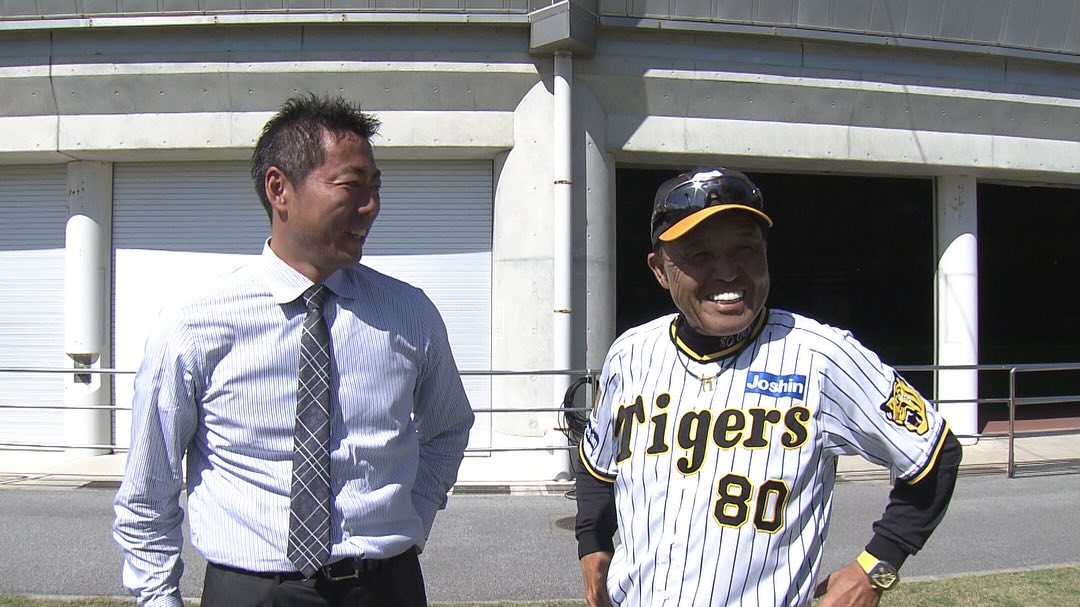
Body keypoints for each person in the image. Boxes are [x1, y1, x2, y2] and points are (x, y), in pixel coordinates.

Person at [114, 93, 475, 607]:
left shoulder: (409, 314)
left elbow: (448, 427)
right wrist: (157, 598)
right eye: (351, 185)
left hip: (385, 587)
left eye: (375, 187)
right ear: (279, 189)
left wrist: (415, 515)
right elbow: (148, 491)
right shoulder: (194, 326)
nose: (371, 205)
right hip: (252, 592)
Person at [575, 167, 962, 607]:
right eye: (698, 254)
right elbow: (596, 463)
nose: (727, 272)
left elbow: (935, 452)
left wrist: (876, 569)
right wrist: (592, 541)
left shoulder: (821, 356)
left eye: (745, 249)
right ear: (660, 270)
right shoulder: (630, 354)